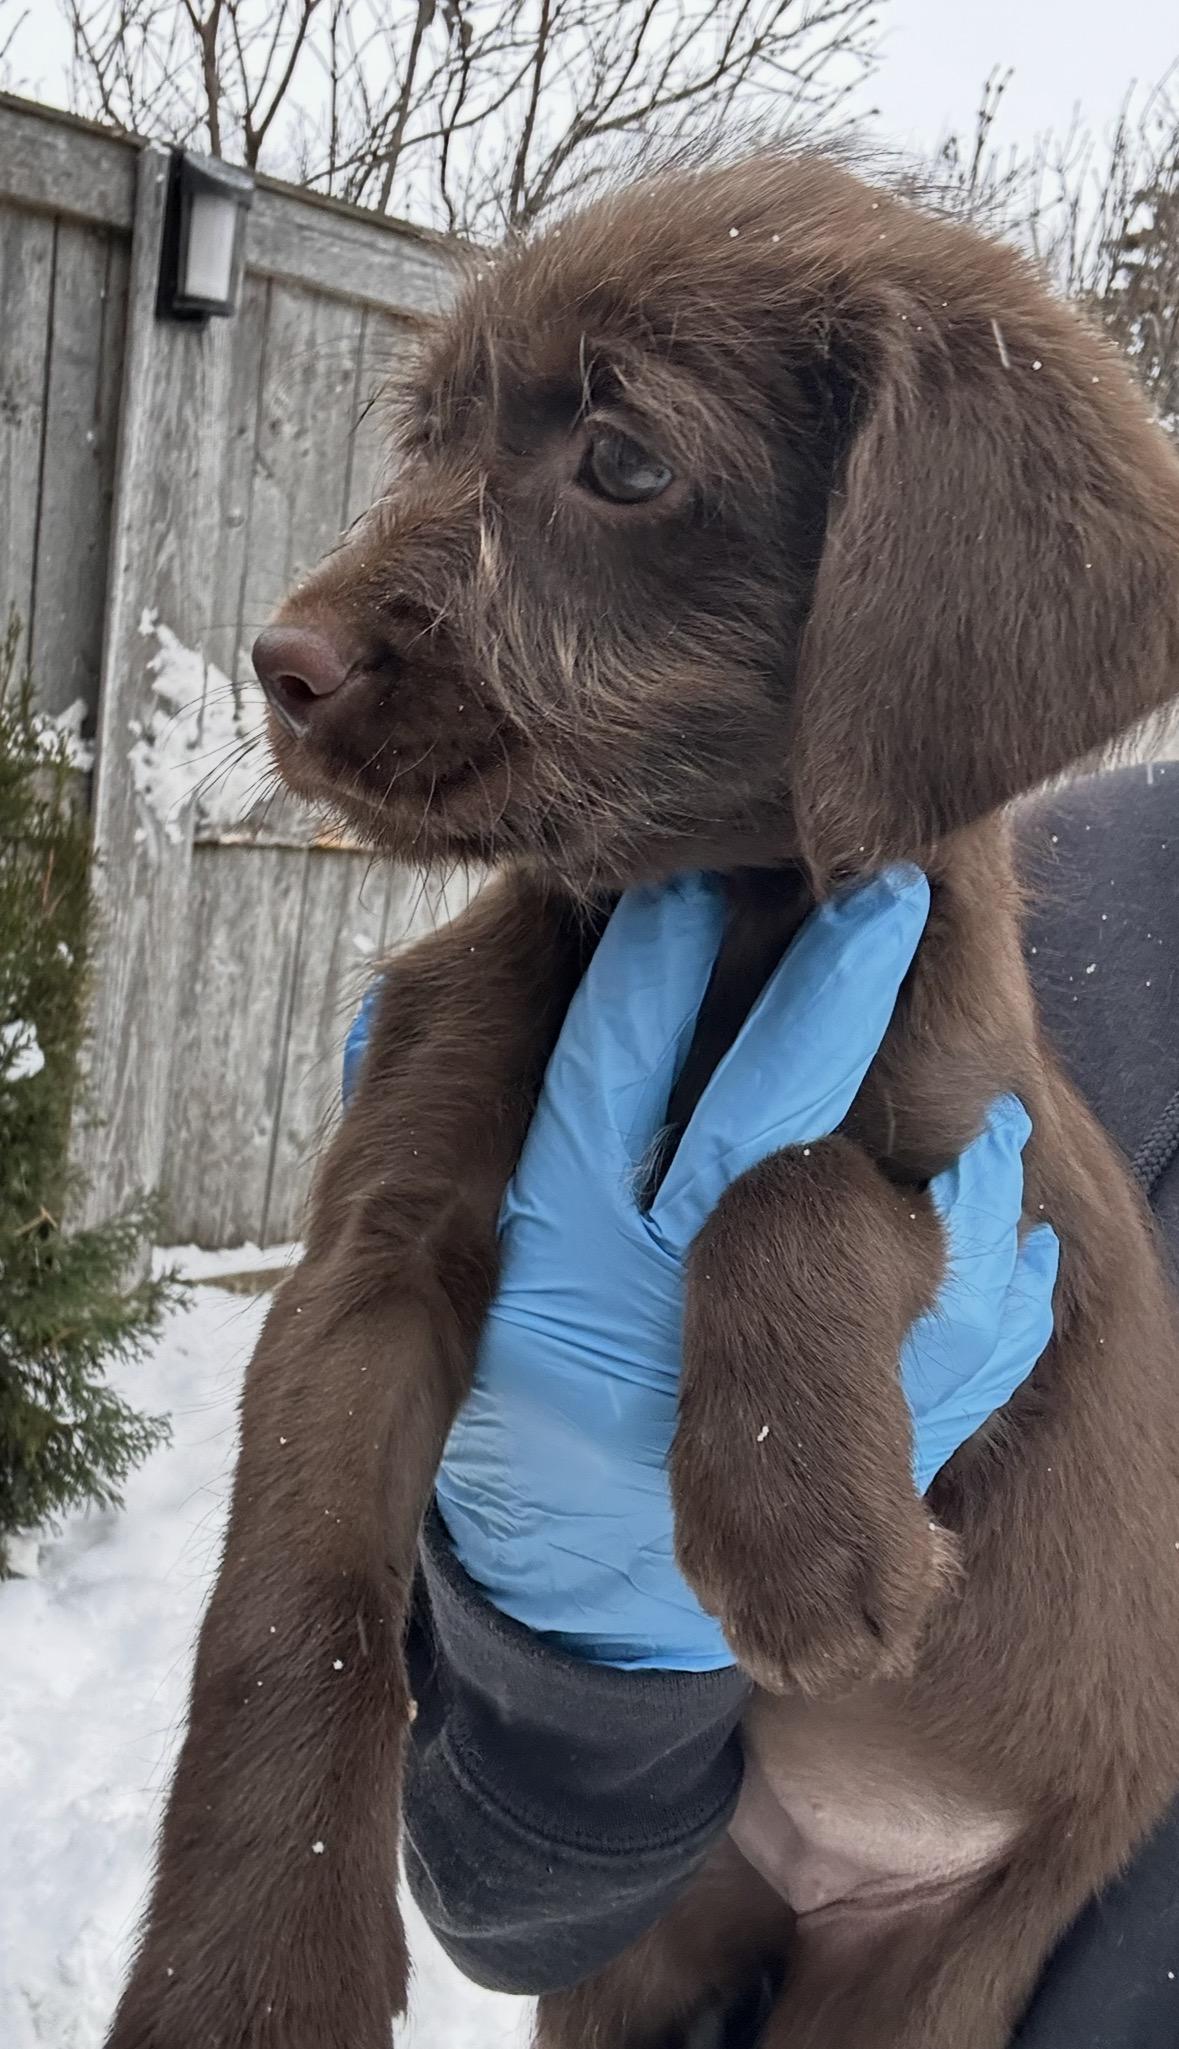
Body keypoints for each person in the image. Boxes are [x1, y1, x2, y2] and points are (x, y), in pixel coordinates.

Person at [344, 763, 1179, 2048]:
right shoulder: (1093, 905)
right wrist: (569, 1675)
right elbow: (503, 1897)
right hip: (704, 1873)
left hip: (987, 1906)